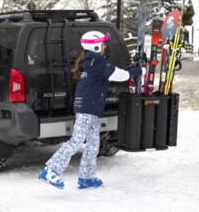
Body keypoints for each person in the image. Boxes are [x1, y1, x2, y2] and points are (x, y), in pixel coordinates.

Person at [38, 31, 142, 190]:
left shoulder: (93, 60)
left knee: (93, 143)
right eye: (102, 43)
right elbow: (119, 75)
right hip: (87, 107)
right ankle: (51, 170)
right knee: (77, 140)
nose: (105, 46)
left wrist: (129, 69)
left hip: (90, 107)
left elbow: (111, 71)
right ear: (94, 45)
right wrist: (134, 72)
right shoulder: (97, 60)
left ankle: (87, 177)